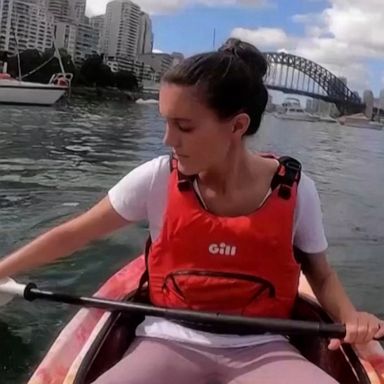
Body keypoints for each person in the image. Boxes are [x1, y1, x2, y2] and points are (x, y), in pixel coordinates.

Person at [0, 38, 383, 384]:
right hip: (166, 341)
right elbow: (74, 233)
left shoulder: (297, 191)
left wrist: (351, 317)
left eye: (183, 126)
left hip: (264, 346)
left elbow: (320, 273)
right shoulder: (155, 179)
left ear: (237, 126)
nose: (168, 140)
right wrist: (2, 270)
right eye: (165, 123)